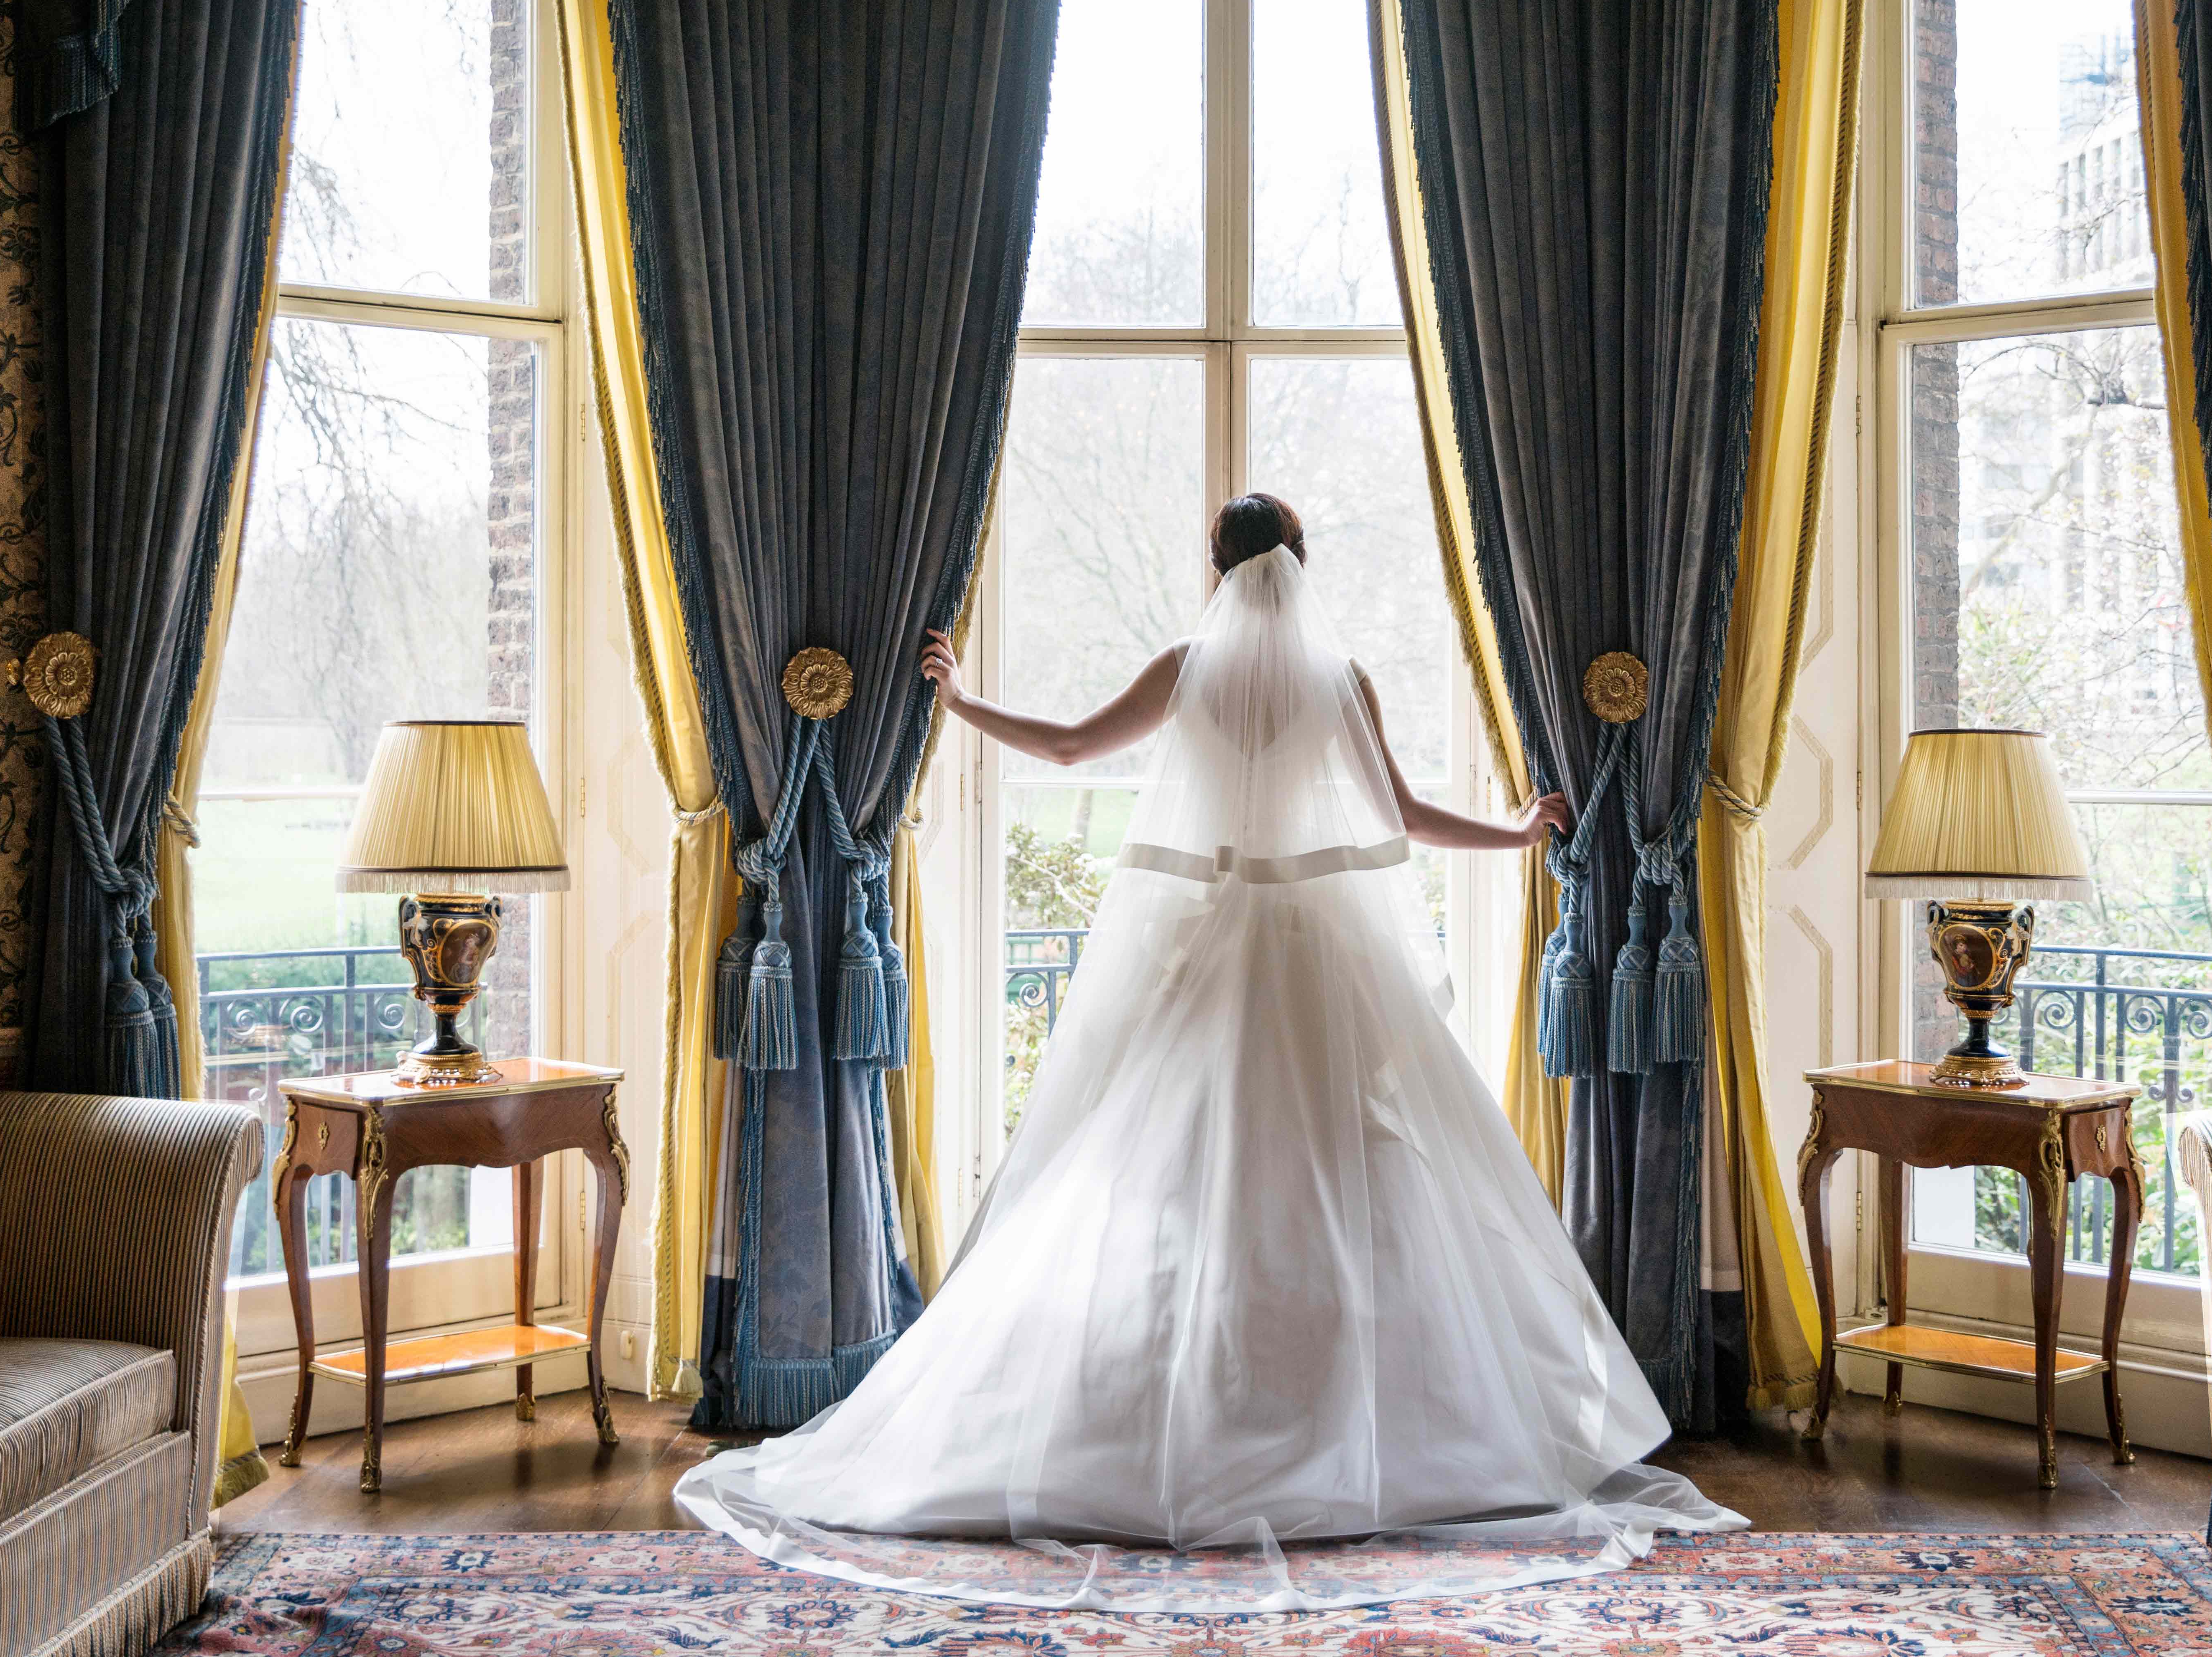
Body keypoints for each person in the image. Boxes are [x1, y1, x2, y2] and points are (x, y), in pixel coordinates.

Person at [670, 495, 1740, 1609]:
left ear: (1217, 570)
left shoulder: (1190, 669)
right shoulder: (1343, 680)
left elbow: (1075, 746)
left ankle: (1167, 1423)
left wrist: (963, 697)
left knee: (1164, 1181)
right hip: (1323, 956)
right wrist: (1520, 831)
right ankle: (1347, 1425)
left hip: (1210, 948)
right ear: (1301, 567)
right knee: (1339, 1180)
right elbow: (1410, 817)